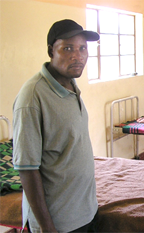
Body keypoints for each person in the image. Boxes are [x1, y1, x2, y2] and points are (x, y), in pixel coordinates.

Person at [12, 19, 100, 232]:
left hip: (86, 211)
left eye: (82, 48)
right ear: (51, 51)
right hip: (61, 222)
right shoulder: (32, 98)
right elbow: (27, 169)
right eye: (67, 48)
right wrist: (47, 228)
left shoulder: (70, 84)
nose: (77, 56)